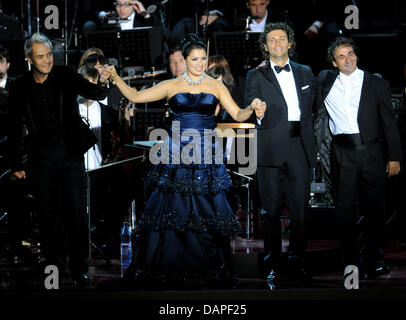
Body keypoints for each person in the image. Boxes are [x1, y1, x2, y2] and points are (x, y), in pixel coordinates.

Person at [106, 33, 266, 289]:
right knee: (174, 208)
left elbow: (238, 113)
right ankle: (171, 263)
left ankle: (208, 267)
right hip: (178, 153)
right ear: (185, 59)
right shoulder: (172, 85)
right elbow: (135, 96)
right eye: (195, 59)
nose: (200, 63)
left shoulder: (216, 85)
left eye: (203, 58)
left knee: (207, 209)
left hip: (207, 155)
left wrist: (254, 108)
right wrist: (114, 77)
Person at [7, 33, 110, 286]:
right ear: (29, 59)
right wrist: (16, 164)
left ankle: (79, 269)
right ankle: (53, 266)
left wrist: (105, 82)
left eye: (49, 55)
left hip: (70, 154)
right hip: (41, 159)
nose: (47, 61)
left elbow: (94, 92)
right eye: (40, 57)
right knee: (48, 215)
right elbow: (12, 126)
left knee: (76, 213)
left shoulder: (64, 75)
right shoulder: (20, 85)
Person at [314, 36, 402, 279]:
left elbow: (389, 123)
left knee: (375, 210)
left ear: (357, 56)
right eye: (341, 56)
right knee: (344, 212)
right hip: (341, 153)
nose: (347, 59)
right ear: (334, 62)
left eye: (350, 53)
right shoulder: (325, 81)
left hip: (372, 153)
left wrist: (394, 156)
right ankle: (350, 260)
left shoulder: (376, 83)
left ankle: (375, 260)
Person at [245, 22, 316, 288]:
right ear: (265, 46)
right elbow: (249, 103)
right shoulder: (256, 75)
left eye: (282, 39)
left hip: (299, 146)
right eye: (271, 40)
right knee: (270, 211)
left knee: (300, 211)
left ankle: (299, 261)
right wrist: (257, 110)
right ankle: (272, 262)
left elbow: (313, 109)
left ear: (290, 43)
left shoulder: (305, 72)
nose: (277, 43)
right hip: (270, 146)